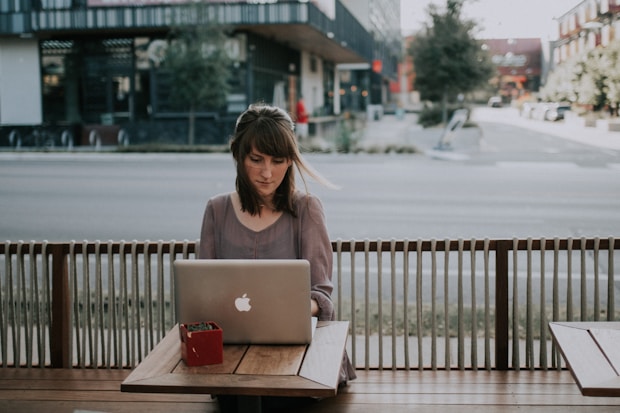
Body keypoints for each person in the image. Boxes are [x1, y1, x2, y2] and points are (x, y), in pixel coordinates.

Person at [198, 103, 355, 411]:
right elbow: (203, 291)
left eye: (278, 161)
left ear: (290, 161)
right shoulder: (217, 210)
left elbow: (322, 297)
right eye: (256, 160)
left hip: (299, 357)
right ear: (238, 155)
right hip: (232, 356)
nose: (267, 173)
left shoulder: (307, 209)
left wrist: (283, 309)